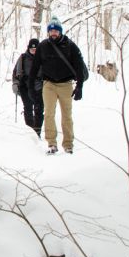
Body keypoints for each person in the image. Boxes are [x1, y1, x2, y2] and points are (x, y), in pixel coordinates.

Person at [38, 17, 88, 154]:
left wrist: (80, 87)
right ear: (48, 32)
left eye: (56, 30)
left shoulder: (70, 46)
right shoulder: (42, 46)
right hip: (49, 84)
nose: (53, 33)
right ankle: (51, 143)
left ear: (60, 32)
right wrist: (31, 86)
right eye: (51, 31)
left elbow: (78, 66)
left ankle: (68, 144)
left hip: (66, 84)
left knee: (67, 115)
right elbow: (36, 66)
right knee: (48, 113)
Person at [12, 38, 44, 136]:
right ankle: (30, 130)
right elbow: (15, 73)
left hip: (40, 87)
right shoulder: (23, 58)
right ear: (28, 49)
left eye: (36, 50)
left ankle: (37, 130)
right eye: (32, 49)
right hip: (25, 87)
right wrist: (15, 84)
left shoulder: (44, 58)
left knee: (39, 109)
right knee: (28, 108)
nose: (34, 51)